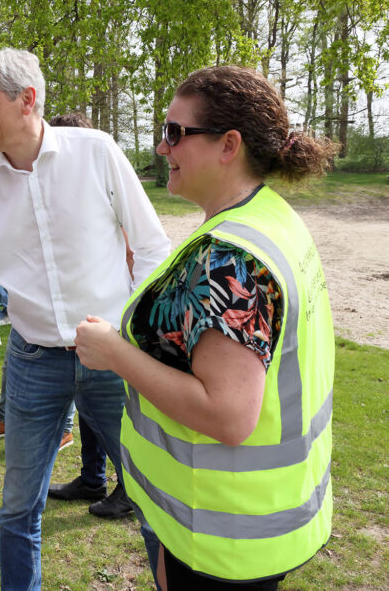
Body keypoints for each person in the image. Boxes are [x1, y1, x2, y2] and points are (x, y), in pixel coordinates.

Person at [0, 49, 171, 590]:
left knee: (152, 500)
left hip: (114, 357)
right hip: (33, 360)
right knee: (18, 510)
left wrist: (135, 335)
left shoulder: (98, 153)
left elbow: (153, 248)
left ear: (28, 100)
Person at [75, 66, 336, 590]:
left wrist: (113, 352)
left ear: (228, 145)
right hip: (243, 523)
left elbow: (229, 414)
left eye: (175, 132)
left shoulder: (230, 259)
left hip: (223, 535)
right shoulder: (268, 217)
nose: (160, 147)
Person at [41, 112, 134, 518]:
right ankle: (92, 477)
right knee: (85, 402)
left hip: (109, 322)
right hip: (75, 326)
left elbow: (134, 248)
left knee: (112, 412)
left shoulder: (102, 178)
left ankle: (131, 488)